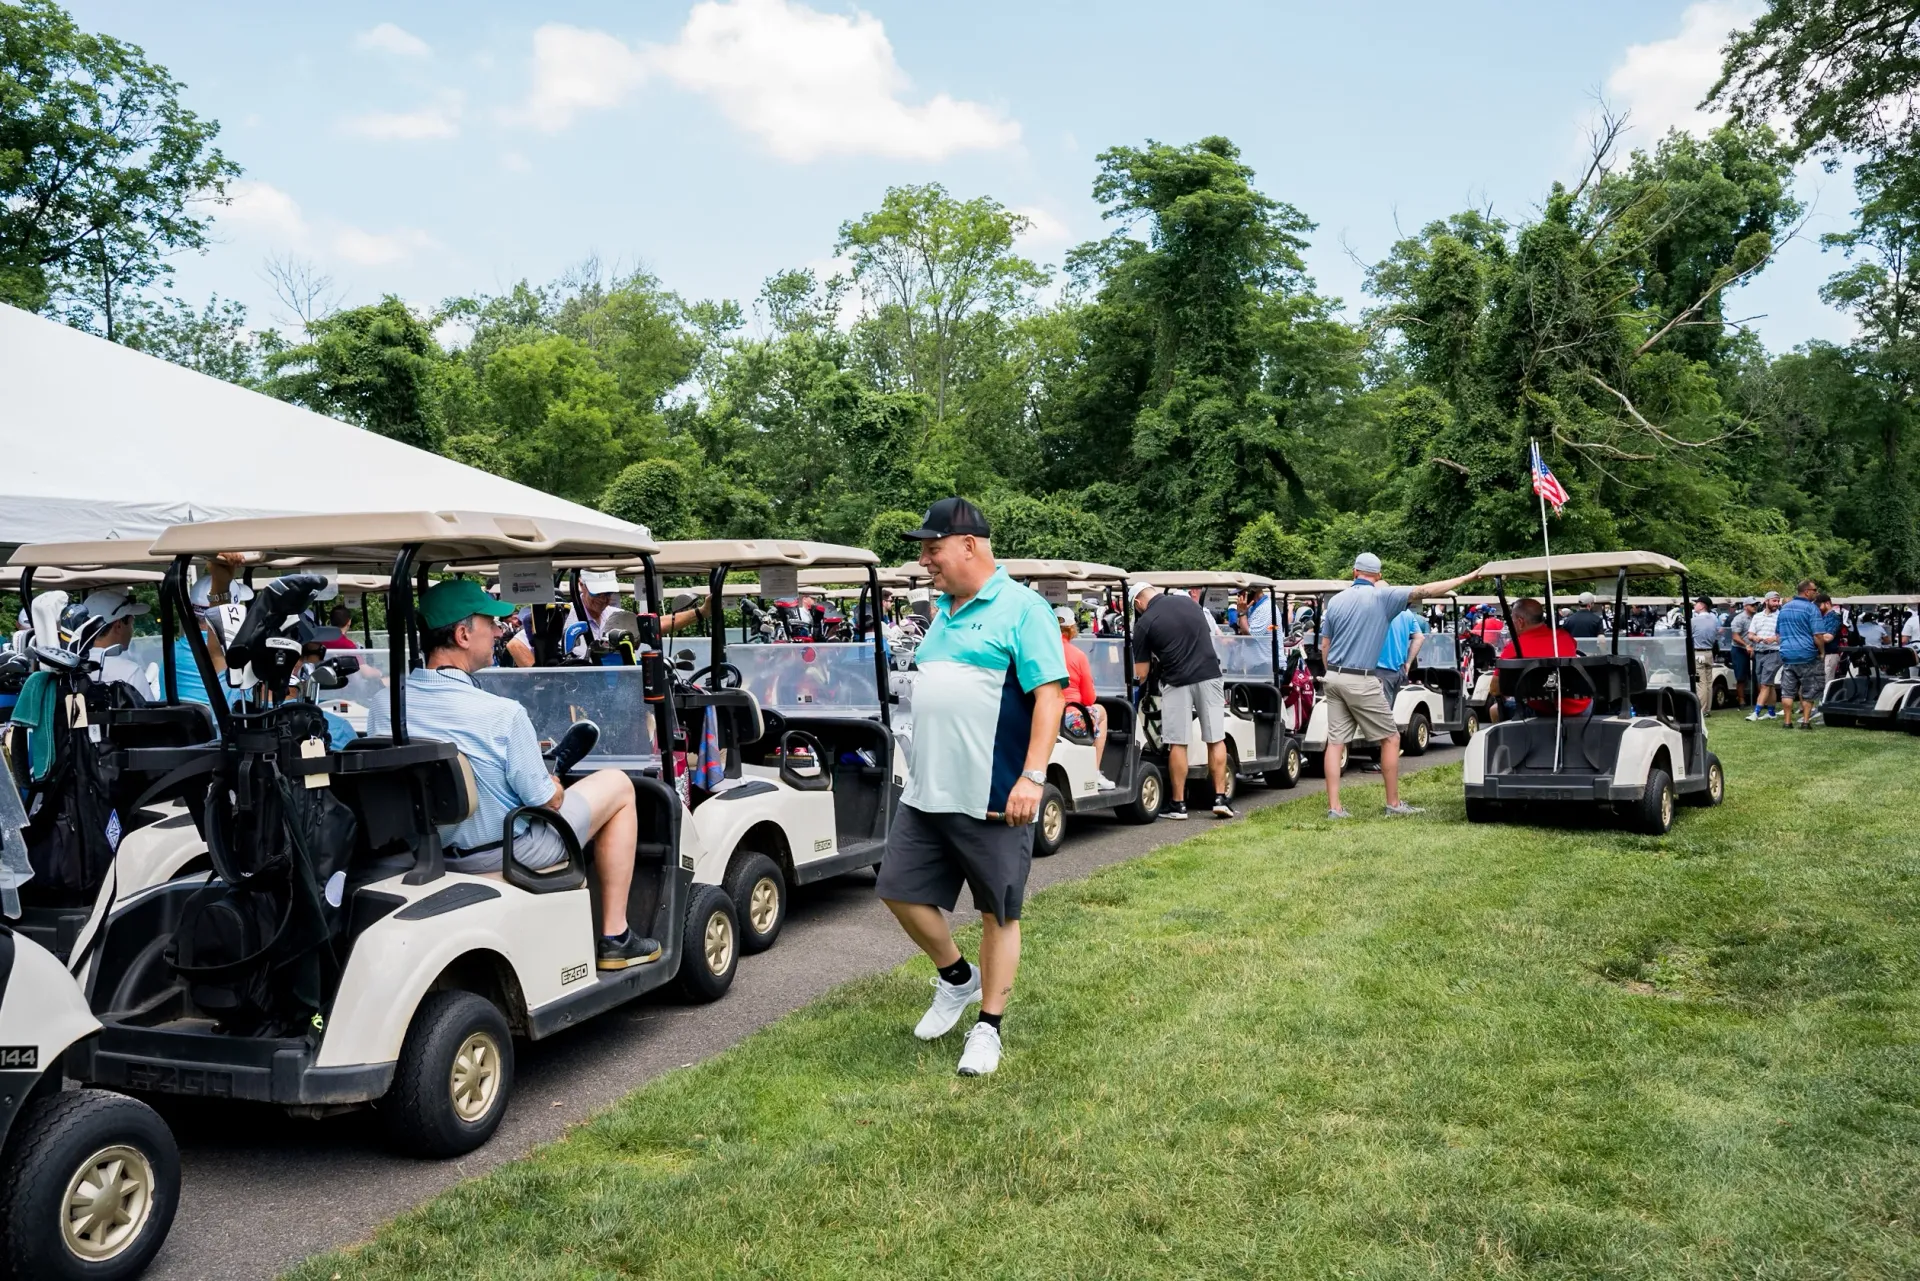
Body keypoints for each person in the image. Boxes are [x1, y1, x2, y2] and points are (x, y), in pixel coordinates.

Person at [372, 579, 659, 969]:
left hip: (423, 850)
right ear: (461, 634)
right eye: (489, 623)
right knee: (619, 785)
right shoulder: (502, 714)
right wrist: (554, 784)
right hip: (503, 851)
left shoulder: (382, 708)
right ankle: (615, 935)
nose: (497, 631)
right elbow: (546, 801)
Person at [880, 497, 1066, 1078]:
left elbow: (1050, 696)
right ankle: (957, 978)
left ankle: (989, 1028)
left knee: (997, 913)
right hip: (928, 790)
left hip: (994, 794)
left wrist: (1033, 776)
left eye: (932, 549)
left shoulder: (1022, 608)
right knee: (898, 891)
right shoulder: (943, 610)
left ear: (968, 545)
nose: (924, 561)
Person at [1319, 552, 1479, 820]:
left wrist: (1331, 672)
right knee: (1391, 738)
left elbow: (1325, 645)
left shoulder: (1336, 601)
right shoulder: (1385, 596)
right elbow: (1426, 589)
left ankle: (1335, 808)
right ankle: (1393, 804)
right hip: (1362, 678)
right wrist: (1469, 576)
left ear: (1354, 572)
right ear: (1378, 576)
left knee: (1335, 743)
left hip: (1333, 676)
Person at [1131, 581, 1233, 820]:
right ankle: (1220, 797)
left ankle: (1178, 804)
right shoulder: (1189, 603)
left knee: (1178, 742)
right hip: (1209, 674)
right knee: (1215, 737)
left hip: (1177, 680)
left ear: (1138, 603)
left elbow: (1142, 673)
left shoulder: (1144, 623)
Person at [1494, 597, 1592, 716]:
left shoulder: (1514, 647)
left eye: (1512, 620)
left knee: (1494, 710)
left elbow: (1495, 688)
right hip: (1582, 705)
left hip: (1545, 710)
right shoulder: (1565, 636)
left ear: (1520, 622)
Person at [1056, 606, 1113, 789]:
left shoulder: (1039, 652)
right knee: (1101, 712)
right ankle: (1094, 771)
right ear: (1072, 628)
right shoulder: (1078, 655)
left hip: (1042, 715)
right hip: (1069, 718)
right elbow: (1089, 699)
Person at [78, 588, 153, 699]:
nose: (132, 630)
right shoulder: (130, 672)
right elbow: (147, 714)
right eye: (131, 623)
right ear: (118, 626)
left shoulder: (70, 666)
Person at [1775, 579, 1826, 729]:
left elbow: (1778, 635)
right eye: (1815, 590)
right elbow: (1818, 635)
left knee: (1787, 691)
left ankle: (1787, 722)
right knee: (1809, 689)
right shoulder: (1811, 609)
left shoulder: (1784, 609)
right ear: (1807, 592)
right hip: (1807, 655)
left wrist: (1786, 646)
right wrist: (1822, 652)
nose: (1816, 593)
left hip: (1788, 655)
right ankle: (1805, 722)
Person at [1375, 603, 1428, 707]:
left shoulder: (1377, 611)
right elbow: (1420, 638)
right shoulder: (1407, 614)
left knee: (1380, 713)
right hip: (1399, 670)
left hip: (1380, 670)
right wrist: (1408, 663)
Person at [1746, 591, 1783, 719]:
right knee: (1769, 683)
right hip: (1759, 652)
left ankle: (1756, 712)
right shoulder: (1757, 617)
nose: (1777, 604)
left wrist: (1773, 639)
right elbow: (1750, 634)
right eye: (1774, 601)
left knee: (1765, 684)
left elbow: (1783, 635)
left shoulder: (1781, 616)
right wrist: (1754, 638)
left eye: (1778, 601)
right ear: (1766, 601)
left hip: (1774, 652)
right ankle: (1771, 712)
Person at [1690, 596, 1721, 713]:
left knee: (1700, 683)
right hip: (1709, 653)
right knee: (1708, 683)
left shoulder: (1694, 621)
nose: (1695, 605)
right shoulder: (1714, 620)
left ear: (1702, 605)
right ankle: (1707, 709)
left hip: (1698, 653)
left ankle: (1701, 710)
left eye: (1697, 603)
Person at [1730, 598, 1756, 706]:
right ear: (1745, 606)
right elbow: (1735, 636)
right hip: (1739, 649)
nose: (1754, 607)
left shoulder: (1757, 617)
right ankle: (1741, 699)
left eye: (1755, 605)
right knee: (1741, 676)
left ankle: (1758, 699)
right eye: (1752, 605)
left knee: (1757, 674)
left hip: (1754, 648)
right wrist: (1746, 645)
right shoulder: (1739, 618)